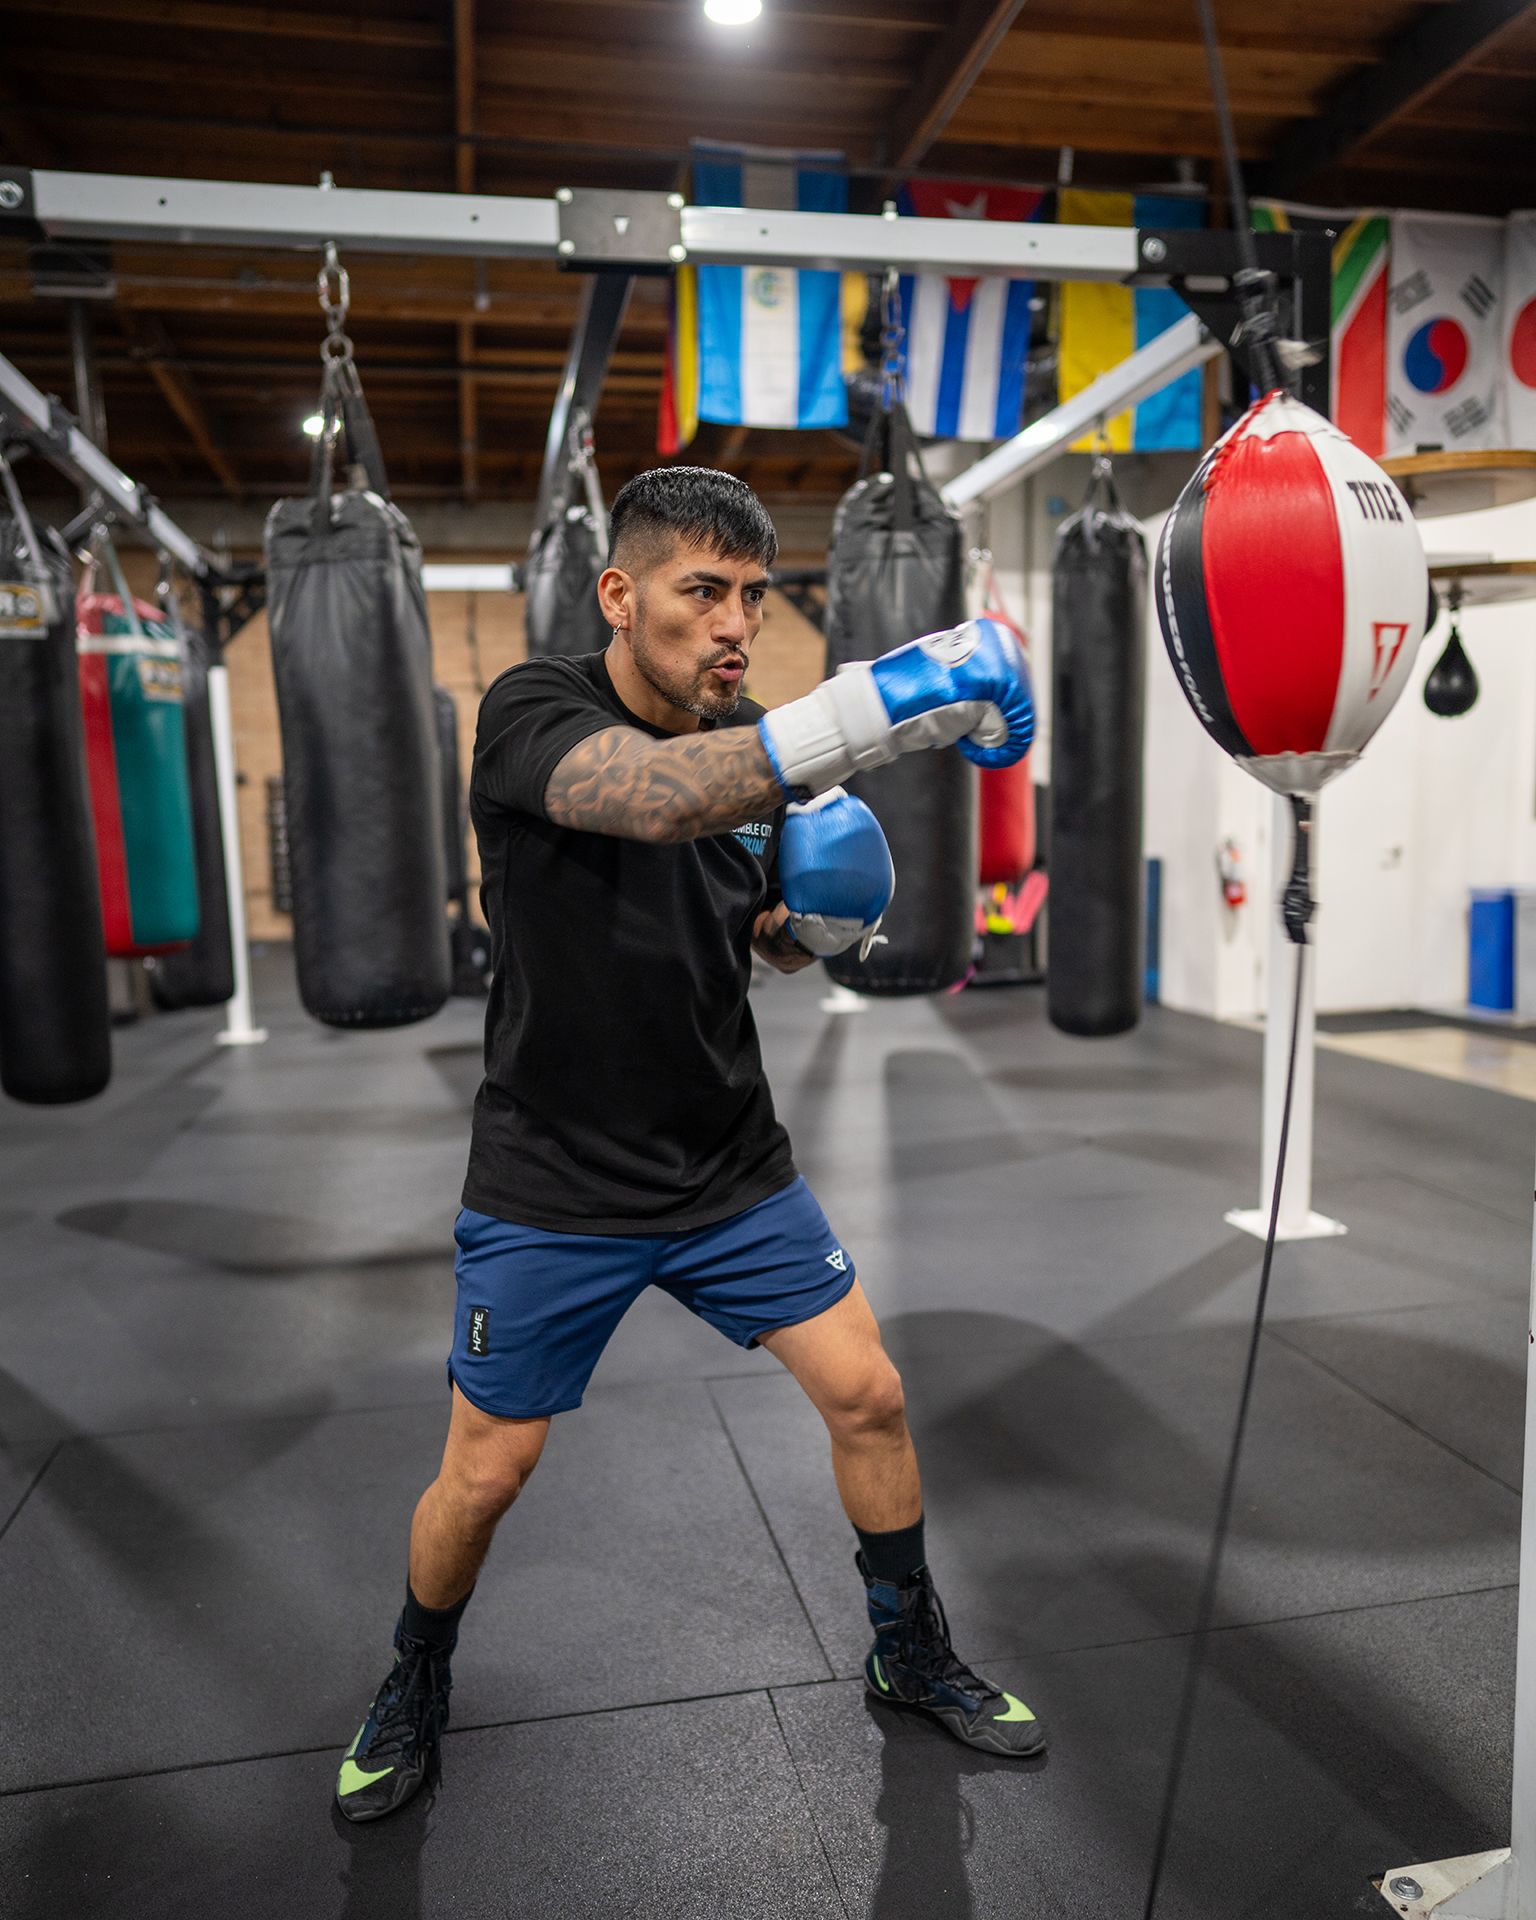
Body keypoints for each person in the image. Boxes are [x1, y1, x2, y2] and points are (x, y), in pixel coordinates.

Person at [335, 466, 1042, 1822]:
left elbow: (751, 945)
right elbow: (659, 799)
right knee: (486, 1474)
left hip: (727, 1162)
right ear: (622, 593)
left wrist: (812, 933)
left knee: (871, 1395)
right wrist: (873, 710)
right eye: (700, 592)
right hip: (554, 1175)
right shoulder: (533, 713)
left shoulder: (767, 748)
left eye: (754, 599)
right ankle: (413, 1675)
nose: (733, 625)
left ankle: (909, 1646)